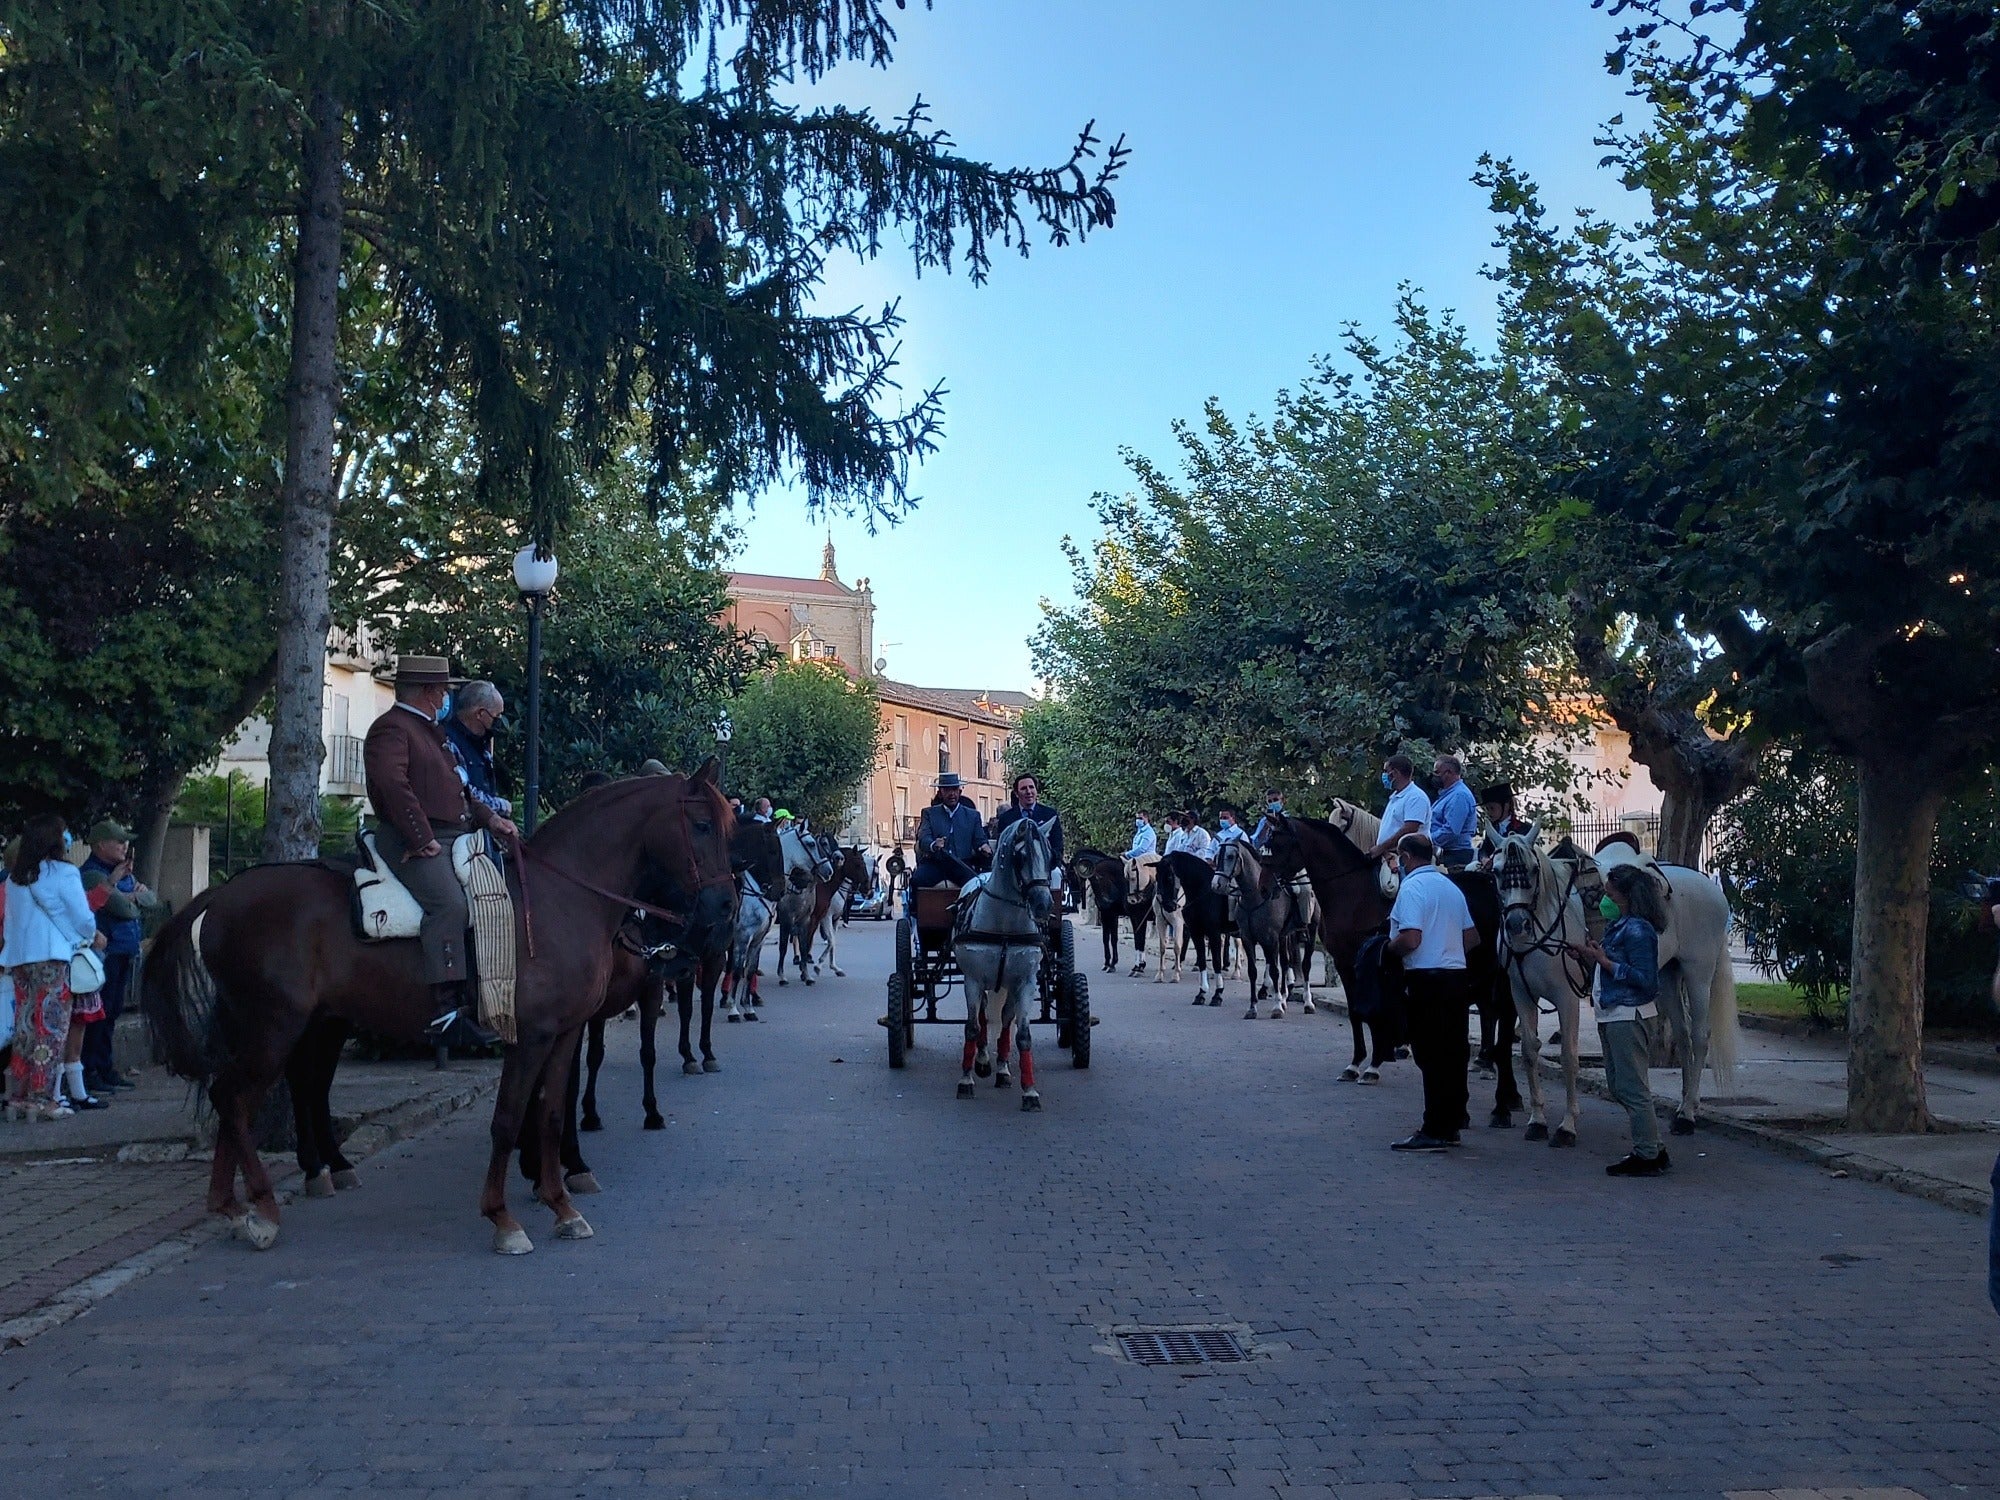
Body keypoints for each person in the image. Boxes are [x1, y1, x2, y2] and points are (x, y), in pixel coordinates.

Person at [363, 655, 517, 1049]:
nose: (447, 696)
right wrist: (419, 837)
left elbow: (460, 788)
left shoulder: (431, 730)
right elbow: (392, 786)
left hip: (456, 833)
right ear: (430, 692)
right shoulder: (392, 729)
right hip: (410, 839)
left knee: (495, 897)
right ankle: (444, 1012)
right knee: (450, 906)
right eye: (444, 690)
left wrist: (490, 819)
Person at [1570, 863, 1671, 1177]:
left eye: (1610, 892)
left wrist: (1605, 962)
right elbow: (1614, 961)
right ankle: (1652, 1145)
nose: (1605, 898)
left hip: (1629, 1014)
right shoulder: (1621, 925)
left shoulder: (1638, 930)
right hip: (1613, 1013)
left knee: (1632, 1087)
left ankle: (1647, 1153)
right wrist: (1593, 956)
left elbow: (1646, 980)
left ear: (1625, 895)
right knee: (1619, 1085)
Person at [3, 815, 107, 1120]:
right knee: (51, 1029)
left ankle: (17, 1097)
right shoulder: (64, 873)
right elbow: (82, 917)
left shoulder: (15, 877)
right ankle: (44, 1098)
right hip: (52, 958)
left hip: (20, 958)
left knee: (24, 1027)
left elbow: (11, 922)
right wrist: (89, 935)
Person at [1385, 833, 1480, 1152]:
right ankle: (1452, 1122)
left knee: (1429, 1053)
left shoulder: (1411, 888)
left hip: (1426, 978)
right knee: (1453, 1052)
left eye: (1399, 858)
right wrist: (1448, 947)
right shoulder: (1450, 887)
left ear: (1407, 857)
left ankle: (1434, 1125)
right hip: (1456, 976)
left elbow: (1411, 938)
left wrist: (1388, 948)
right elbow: (1472, 938)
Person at [80, 819, 149, 1093]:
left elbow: (151, 899)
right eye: (118, 841)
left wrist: (128, 894)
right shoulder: (94, 874)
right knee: (98, 1012)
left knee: (112, 1011)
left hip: (123, 950)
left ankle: (105, 1067)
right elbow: (125, 909)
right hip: (104, 953)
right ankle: (90, 1070)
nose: (124, 846)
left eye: (125, 841)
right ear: (100, 845)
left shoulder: (121, 874)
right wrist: (129, 894)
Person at [908, 774, 989, 900]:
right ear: (940, 793)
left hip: (962, 864)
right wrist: (933, 844)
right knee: (917, 879)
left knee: (978, 885)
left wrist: (984, 847)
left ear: (960, 792)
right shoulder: (929, 813)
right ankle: (916, 914)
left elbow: (980, 840)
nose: (952, 794)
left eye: (954, 790)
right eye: (947, 790)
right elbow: (923, 838)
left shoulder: (973, 816)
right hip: (935, 865)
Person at [442, 681, 512, 817]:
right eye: (496, 717)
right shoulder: (449, 741)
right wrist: (500, 806)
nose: (499, 722)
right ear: (480, 714)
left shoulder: (481, 742)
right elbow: (463, 790)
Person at [991, 773, 1065, 883]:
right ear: (1016, 793)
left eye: (1031, 787)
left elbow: (1058, 847)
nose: (1028, 791)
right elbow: (1002, 848)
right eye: (1023, 788)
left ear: (1036, 790)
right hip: (1015, 872)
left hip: (1045, 869)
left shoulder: (1050, 815)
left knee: (1056, 875)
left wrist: (1046, 862)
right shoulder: (1006, 818)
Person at [1367, 754, 1431, 862]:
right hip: (1390, 856)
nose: (1384, 775)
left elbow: (1410, 829)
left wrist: (1381, 847)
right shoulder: (1396, 797)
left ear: (1395, 773)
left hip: (1408, 859)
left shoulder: (1416, 797)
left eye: (1386, 771)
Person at [1427, 755, 1478, 870]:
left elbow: (1451, 831)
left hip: (1456, 857)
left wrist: (1427, 840)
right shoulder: (1448, 794)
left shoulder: (1459, 796)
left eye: (1437, 772)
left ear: (1448, 773)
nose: (1434, 776)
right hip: (1447, 854)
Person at [1476, 783, 1527, 863]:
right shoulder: (1492, 828)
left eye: (1492, 808)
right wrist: (1484, 859)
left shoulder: (1524, 829)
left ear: (1506, 806)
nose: (1489, 812)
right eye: (1487, 808)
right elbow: (1484, 849)